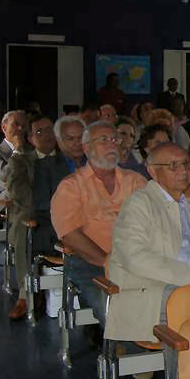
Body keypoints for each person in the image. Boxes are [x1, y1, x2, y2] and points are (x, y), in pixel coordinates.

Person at [106, 142, 190, 340]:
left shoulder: (189, 204)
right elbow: (135, 258)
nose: (183, 171)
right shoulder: (139, 203)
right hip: (153, 292)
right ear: (152, 171)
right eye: (173, 166)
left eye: (186, 164)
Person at [50, 121, 147, 325]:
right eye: (104, 139)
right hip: (91, 262)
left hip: (136, 258)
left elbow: (152, 222)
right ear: (86, 148)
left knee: (167, 298)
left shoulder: (135, 181)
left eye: (115, 139)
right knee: (115, 309)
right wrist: (107, 262)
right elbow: (70, 235)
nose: (112, 144)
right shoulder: (71, 186)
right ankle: (121, 343)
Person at [6, 114, 56, 320]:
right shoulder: (21, 161)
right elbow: (19, 194)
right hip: (34, 214)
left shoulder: (66, 158)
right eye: (39, 132)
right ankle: (25, 294)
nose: (47, 135)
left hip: (63, 214)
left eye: (50, 129)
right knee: (24, 226)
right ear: (30, 139)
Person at [31, 116, 86, 257]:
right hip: (58, 228)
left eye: (81, 137)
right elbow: (43, 206)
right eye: (70, 138)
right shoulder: (45, 167)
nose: (77, 143)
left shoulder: (97, 164)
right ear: (59, 141)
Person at [0, 110, 26, 214]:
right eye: (16, 124)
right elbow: (6, 175)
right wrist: (17, 150)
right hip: (5, 215)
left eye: (23, 126)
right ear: (4, 128)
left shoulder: (31, 151)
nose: (20, 128)